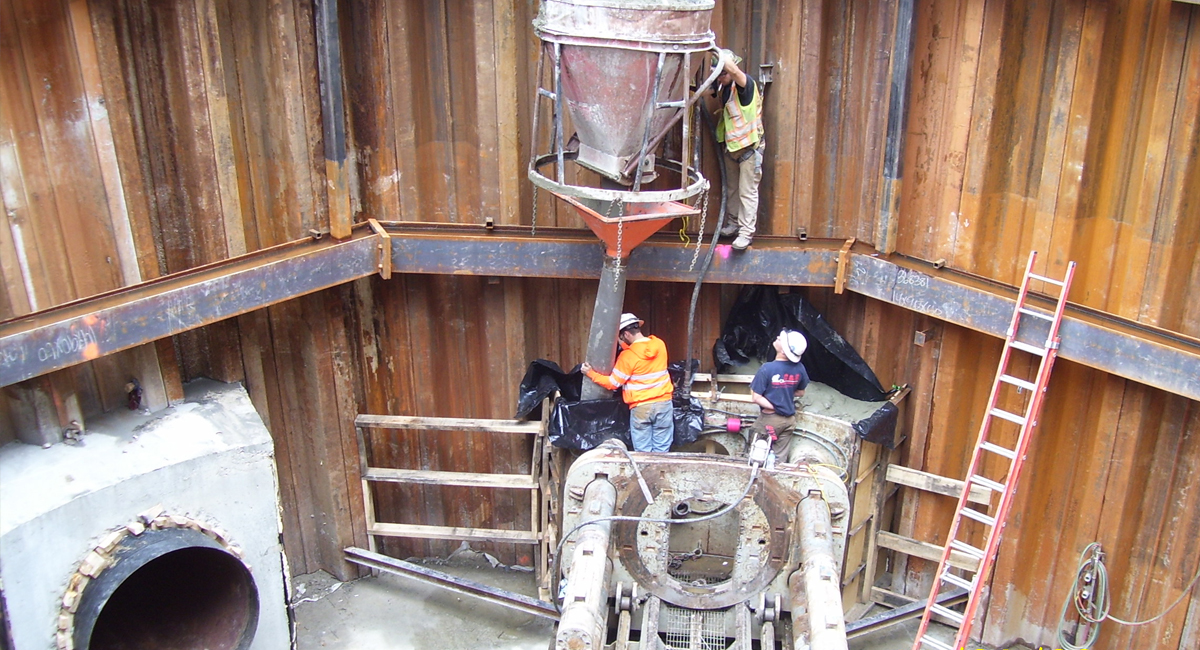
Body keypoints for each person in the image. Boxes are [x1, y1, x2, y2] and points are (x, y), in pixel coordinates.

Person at [581, 313, 675, 453]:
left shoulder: (627, 357)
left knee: (643, 452)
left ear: (625, 334)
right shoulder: (659, 344)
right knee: (662, 449)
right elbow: (641, 353)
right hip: (664, 404)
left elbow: (612, 383)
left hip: (641, 407)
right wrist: (624, 345)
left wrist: (590, 373)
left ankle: (644, 473)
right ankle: (659, 472)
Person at [713, 49, 765, 251]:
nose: (721, 77)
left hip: (749, 149)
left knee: (747, 192)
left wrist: (716, 51)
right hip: (732, 149)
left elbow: (734, 73)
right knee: (733, 190)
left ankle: (745, 233)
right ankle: (734, 224)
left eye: (722, 73)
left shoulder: (745, 86)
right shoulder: (724, 88)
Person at [749, 329, 809, 463]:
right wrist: (785, 391)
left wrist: (776, 406)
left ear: (783, 351)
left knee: (755, 454)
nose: (777, 337)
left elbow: (756, 397)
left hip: (770, 420)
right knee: (778, 460)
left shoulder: (767, 368)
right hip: (789, 420)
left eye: (781, 339)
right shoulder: (800, 368)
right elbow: (800, 392)